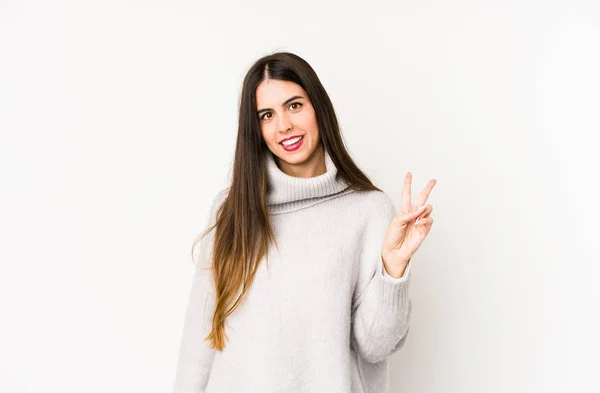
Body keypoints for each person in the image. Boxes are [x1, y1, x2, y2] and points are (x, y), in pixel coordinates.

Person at [173, 51, 437, 393]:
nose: (284, 125)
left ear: (318, 109)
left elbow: (376, 346)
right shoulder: (231, 209)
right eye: (267, 115)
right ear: (256, 129)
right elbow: (200, 340)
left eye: (294, 105)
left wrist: (393, 268)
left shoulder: (368, 210)